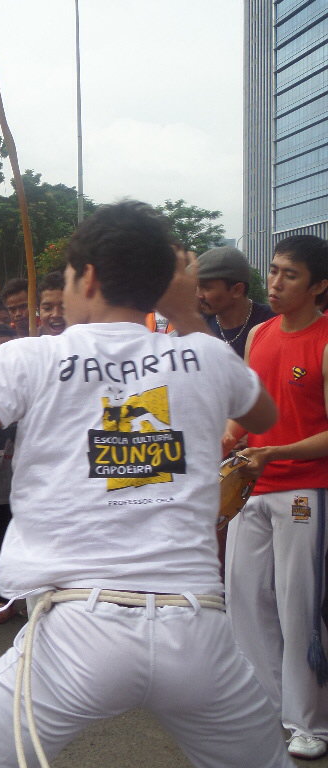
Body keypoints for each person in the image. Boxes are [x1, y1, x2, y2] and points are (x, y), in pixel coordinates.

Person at [0, 201, 288, 768]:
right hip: (197, 626)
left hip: (81, 627)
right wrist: (186, 315)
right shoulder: (206, 354)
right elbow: (262, 417)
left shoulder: (31, 357)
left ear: (86, 277)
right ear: (160, 286)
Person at [224, 234, 328, 760]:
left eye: (290, 274)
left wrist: (276, 450)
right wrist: (225, 441)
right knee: (245, 601)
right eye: (273, 271)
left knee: (298, 608)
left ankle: (310, 721)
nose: (277, 282)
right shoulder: (259, 333)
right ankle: (268, 709)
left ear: (320, 286)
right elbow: (246, 410)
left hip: (306, 491)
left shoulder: (327, 339)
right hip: (251, 485)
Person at [196, 245, 275, 358]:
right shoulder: (198, 327)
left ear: (237, 290)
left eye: (206, 288)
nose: (198, 295)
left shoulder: (272, 323)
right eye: (197, 287)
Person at [36, 270, 66, 336]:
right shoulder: (32, 343)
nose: (56, 314)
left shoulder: (88, 341)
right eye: (47, 308)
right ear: (39, 310)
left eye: (63, 307)